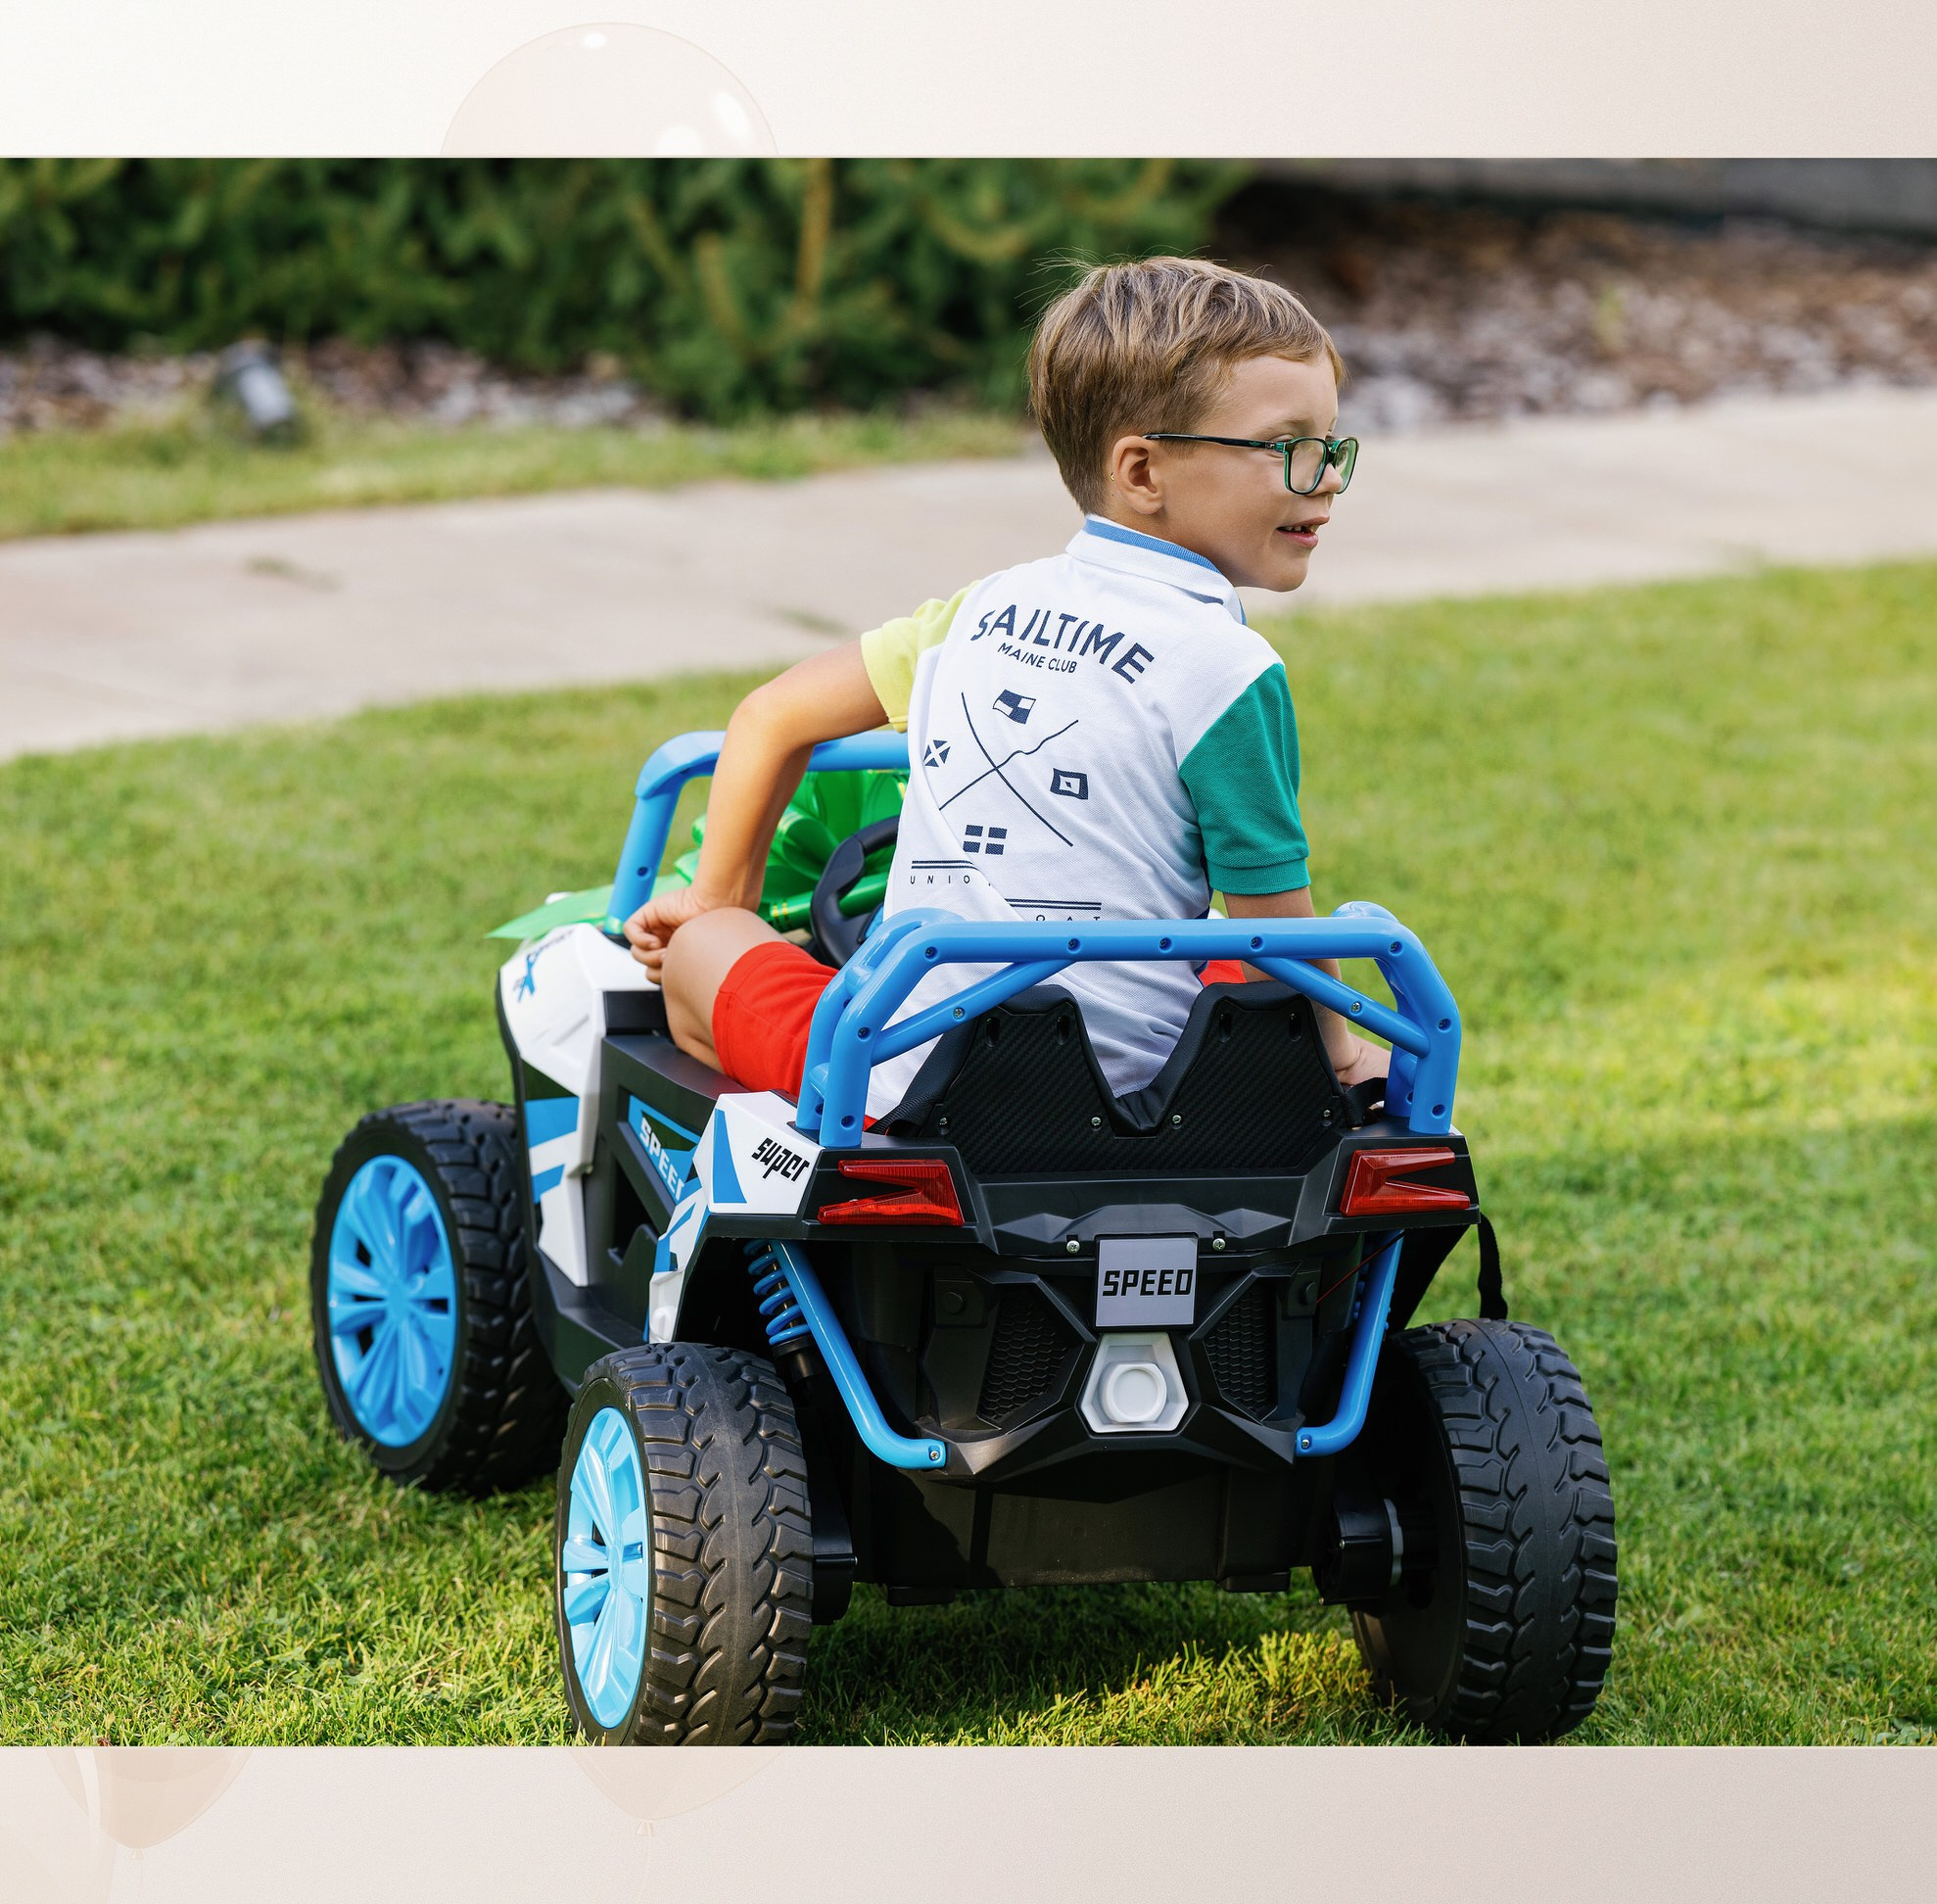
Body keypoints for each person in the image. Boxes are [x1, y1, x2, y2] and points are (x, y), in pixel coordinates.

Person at [625, 255, 1389, 1117]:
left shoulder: (978, 612)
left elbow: (772, 716)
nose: (1325, 476)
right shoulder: (1226, 668)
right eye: (1290, 448)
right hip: (1128, 1090)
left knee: (703, 947)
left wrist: (714, 900)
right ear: (1142, 472)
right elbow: (1271, 920)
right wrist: (1340, 1051)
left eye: (1330, 446)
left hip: (896, 1087)